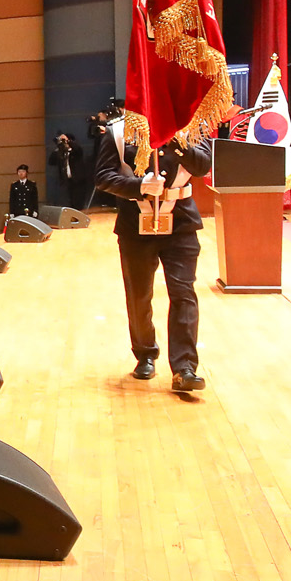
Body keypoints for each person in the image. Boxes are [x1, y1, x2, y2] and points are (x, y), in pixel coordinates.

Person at [94, 124, 213, 390]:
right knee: (139, 296)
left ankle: (184, 368)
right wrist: (140, 186)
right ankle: (145, 353)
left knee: (183, 293)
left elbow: (203, 165)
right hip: (135, 226)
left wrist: (176, 140)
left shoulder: (191, 126)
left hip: (181, 224)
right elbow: (103, 177)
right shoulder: (120, 131)